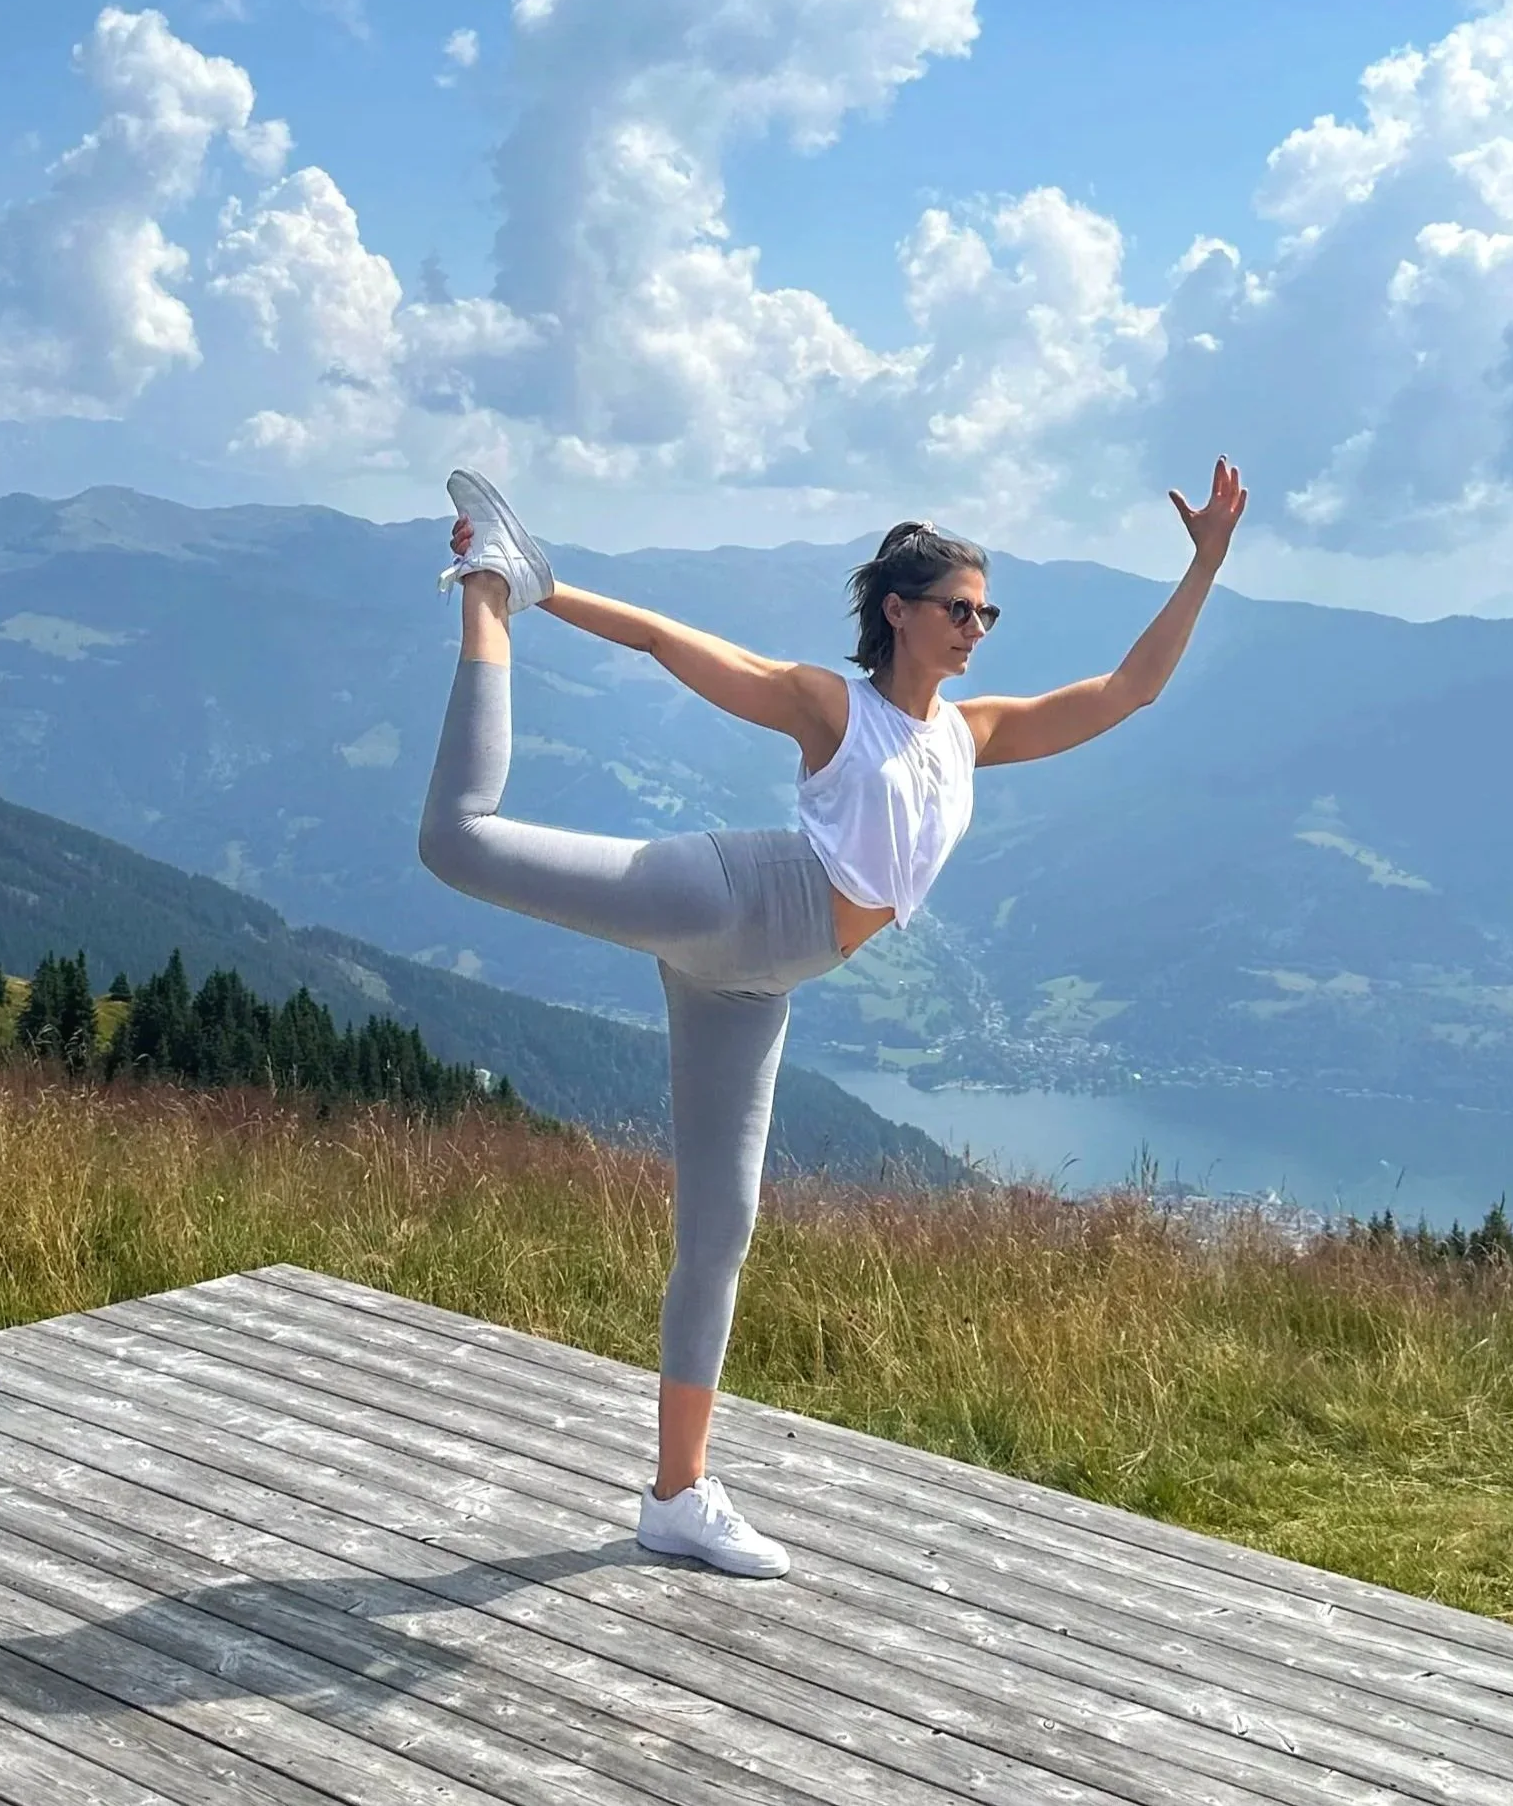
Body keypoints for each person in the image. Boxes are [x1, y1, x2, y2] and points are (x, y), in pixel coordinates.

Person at [417, 458, 1248, 1577]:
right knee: (458, 842)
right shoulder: (833, 708)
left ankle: (677, 1495)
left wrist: (1204, 564)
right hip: (732, 899)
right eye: (959, 609)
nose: (977, 629)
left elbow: (1127, 690)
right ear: (899, 612)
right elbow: (666, 640)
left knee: (721, 1228)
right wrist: (537, 589)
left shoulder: (972, 734)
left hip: (756, 983)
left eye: (987, 613)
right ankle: (486, 585)